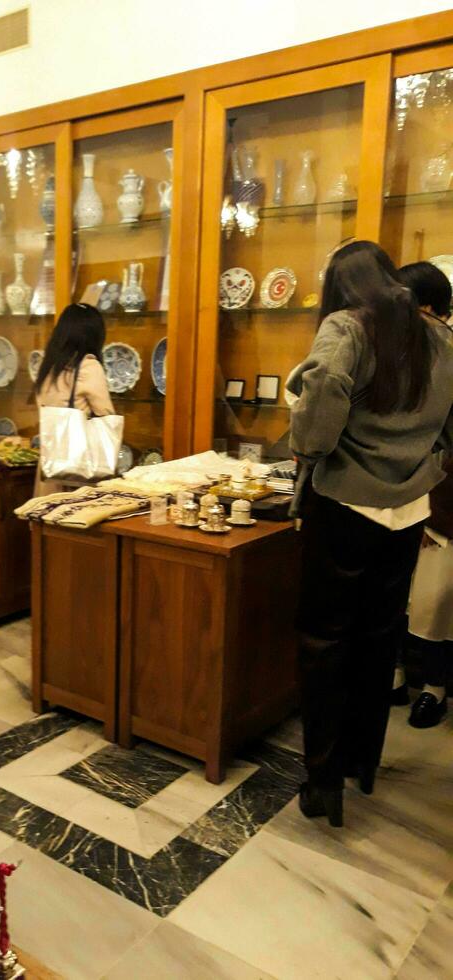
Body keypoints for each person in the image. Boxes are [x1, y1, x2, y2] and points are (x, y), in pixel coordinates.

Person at [288, 241, 453, 827]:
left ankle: (323, 781)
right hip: (408, 511)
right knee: (379, 639)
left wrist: (309, 447)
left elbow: (325, 385)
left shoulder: (348, 326)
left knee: (323, 642)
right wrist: (429, 463)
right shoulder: (437, 334)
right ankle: (363, 763)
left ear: (341, 285)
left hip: (343, 508)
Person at [393, 261, 453, 727]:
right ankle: (394, 675)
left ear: (428, 308)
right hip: (393, 491)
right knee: (393, 593)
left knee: (435, 599)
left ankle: (434, 687)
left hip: (440, 497)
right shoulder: (396, 348)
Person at [34, 303, 114, 495]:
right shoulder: (88, 367)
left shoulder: (49, 366)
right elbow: (106, 415)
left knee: (48, 517)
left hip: (50, 463)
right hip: (78, 468)